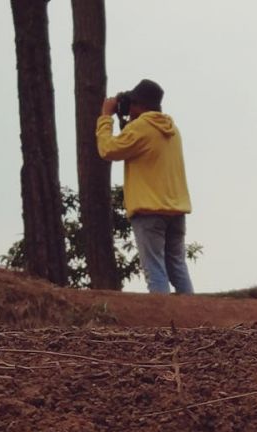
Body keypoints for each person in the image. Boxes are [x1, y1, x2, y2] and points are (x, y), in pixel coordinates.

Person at [96, 79, 194, 295]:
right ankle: (195, 325)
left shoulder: (142, 128)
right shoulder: (172, 129)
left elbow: (108, 150)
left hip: (149, 212)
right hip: (176, 210)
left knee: (155, 269)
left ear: (139, 105)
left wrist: (105, 118)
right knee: (177, 267)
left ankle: (165, 322)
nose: (128, 109)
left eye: (130, 104)